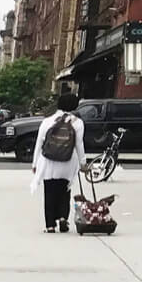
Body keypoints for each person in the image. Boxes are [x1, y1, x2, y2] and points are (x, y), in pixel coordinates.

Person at [31, 92, 86, 232]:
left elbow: (39, 143)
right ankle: (63, 218)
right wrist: (83, 163)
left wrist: (35, 163)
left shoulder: (48, 121)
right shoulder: (78, 123)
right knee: (64, 191)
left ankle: (50, 225)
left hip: (48, 162)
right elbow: (79, 145)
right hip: (68, 162)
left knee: (49, 192)